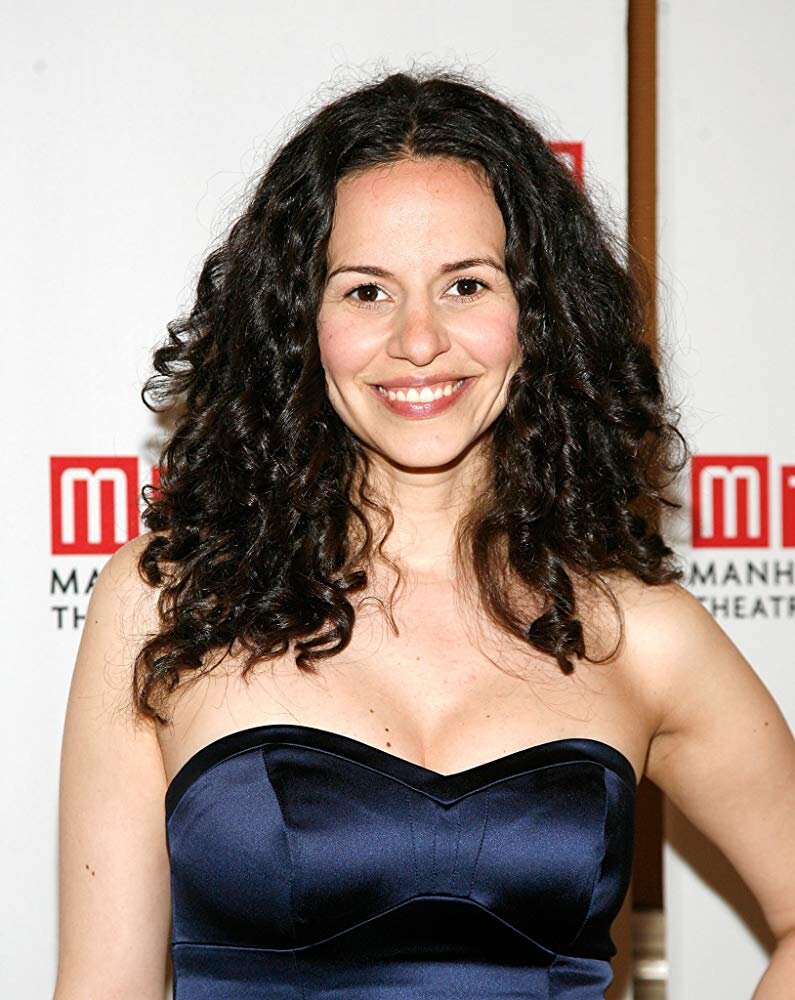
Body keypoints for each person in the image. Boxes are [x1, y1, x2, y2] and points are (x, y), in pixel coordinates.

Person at [55, 67, 795, 999]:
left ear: (538, 314)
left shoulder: (640, 633)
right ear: (299, 319)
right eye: (366, 291)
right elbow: (103, 986)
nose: (417, 340)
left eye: (465, 285)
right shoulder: (168, 602)